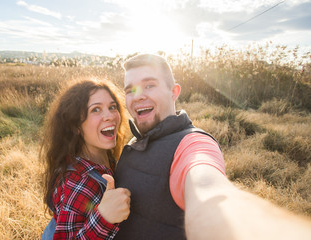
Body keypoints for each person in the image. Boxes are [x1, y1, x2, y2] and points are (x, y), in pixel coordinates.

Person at [114, 54, 311, 240]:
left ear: (174, 92)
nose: (138, 96)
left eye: (149, 85)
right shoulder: (135, 140)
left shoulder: (192, 143)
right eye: (130, 89)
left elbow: (210, 193)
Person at [40, 79, 131, 240]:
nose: (109, 116)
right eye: (96, 109)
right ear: (75, 126)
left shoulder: (105, 159)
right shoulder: (78, 182)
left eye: (112, 107)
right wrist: (104, 218)